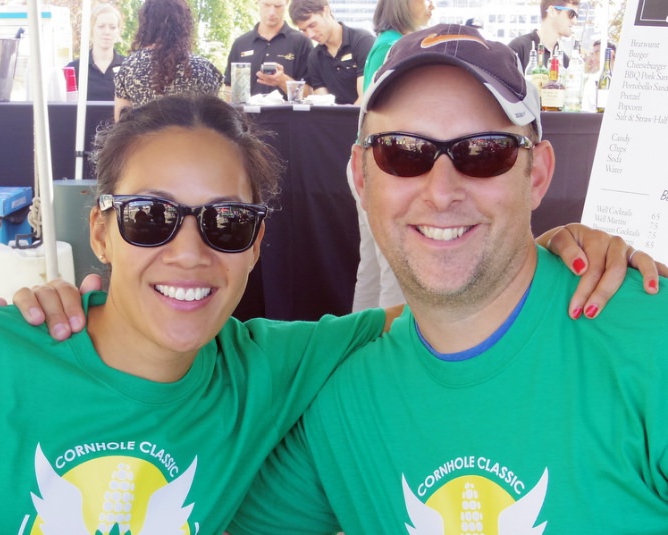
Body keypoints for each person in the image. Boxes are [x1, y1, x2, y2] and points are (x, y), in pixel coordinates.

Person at [228, 24, 668, 534]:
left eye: (485, 152)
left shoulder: (648, 342)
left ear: (539, 175)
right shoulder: (339, 398)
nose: (441, 192)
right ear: (361, 177)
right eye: (402, 152)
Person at [0, 94, 395, 532]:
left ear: (256, 245)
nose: (188, 254)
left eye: (227, 221)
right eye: (149, 216)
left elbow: (439, 321)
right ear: (101, 233)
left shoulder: (263, 372)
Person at [350, 0, 435, 311]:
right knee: (394, 268)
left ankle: (361, 344)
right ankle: (389, 350)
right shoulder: (397, 48)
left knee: (374, 267)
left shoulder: (385, 45)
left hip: (373, 162)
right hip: (384, 166)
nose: (432, 6)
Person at [113, 0, 222, 120]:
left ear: (146, 24)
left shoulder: (129, 67)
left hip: (146, 138)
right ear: (184, 25)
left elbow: (121, 122)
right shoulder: (204, 69)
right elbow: (213, 120)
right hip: (190, 138)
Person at [288, 0, 374, 105]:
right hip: (333, 119)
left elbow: (365, 97)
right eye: (304, 30)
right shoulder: (315, 57)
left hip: (364, 118)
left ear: (326, 11)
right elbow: (323, 104)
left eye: (312, 25)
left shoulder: (362, 41)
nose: (310, 35)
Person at [223, 0, 312, 100]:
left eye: (278, 6)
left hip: (287, 115)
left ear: (287, 3)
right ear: (257, 2)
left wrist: (282, 80)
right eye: (267, 5)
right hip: (247, 115)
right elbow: (229, 87)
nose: (272, 12)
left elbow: (310, 93)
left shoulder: (301, 42)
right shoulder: (240, 44)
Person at [65, 3, 126, 101]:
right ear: (91, 29)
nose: (107, 32)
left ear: (118, 31)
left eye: (112, 27)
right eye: (101, 26)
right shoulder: (74, 69)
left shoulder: (128, 67)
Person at [509, 0, 579, 72]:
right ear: (552, 11)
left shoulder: (564, 60)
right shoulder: (519, 47)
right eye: (571, 14)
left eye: (576, 16)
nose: (575, 21)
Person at [582, 40, 616, 112]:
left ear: (611, 53)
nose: (593, 58)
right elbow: (587, 109)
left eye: (597, 53)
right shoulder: (591, 81)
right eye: (593, 54)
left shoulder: (622, 78)